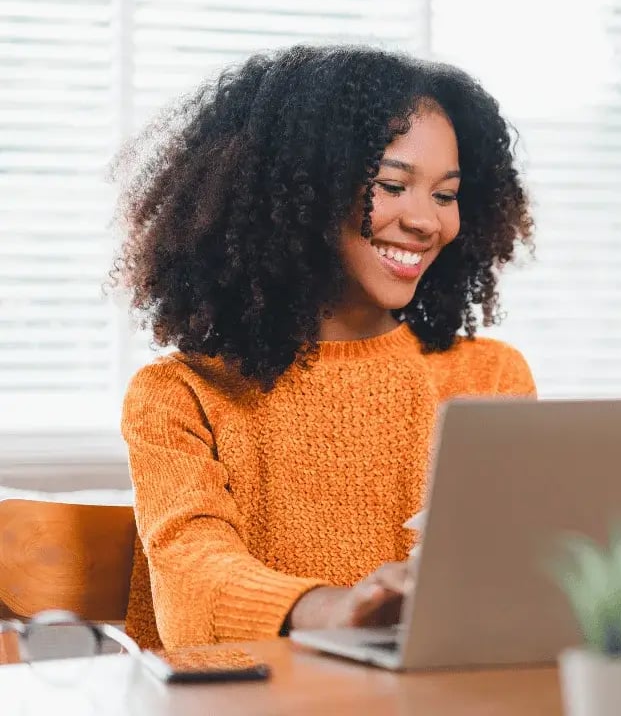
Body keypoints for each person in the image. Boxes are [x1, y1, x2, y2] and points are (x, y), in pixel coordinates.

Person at [112, 45, 535, 649]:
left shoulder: (490, 377)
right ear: (296, 195)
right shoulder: (180, 395)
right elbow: (194, 579)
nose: (425, 221)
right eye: (393, 185)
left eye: (445, 195)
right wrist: (340, 609)